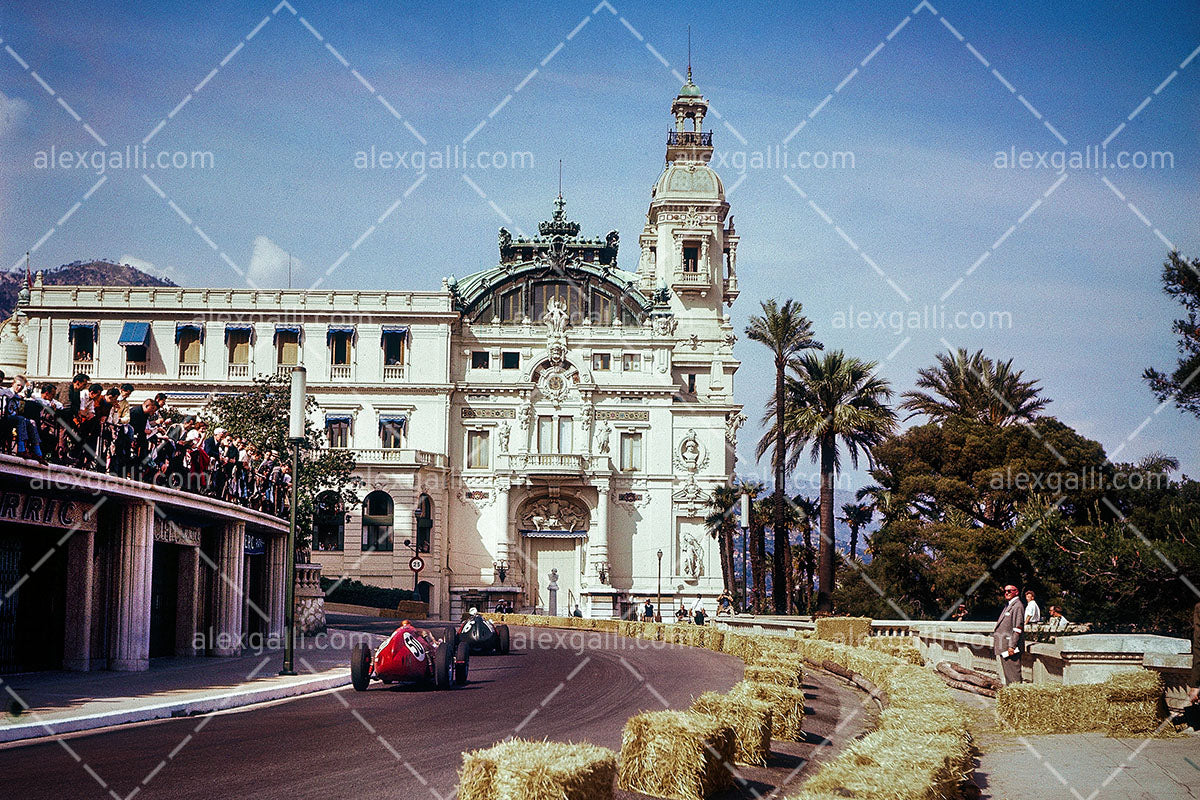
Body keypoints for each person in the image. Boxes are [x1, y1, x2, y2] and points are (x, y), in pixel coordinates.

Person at [993, 584, 1025, 686]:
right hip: (1004, 646)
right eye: (1005, 591)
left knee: (1013, 676)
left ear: (1016, 592)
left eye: (1010, 591)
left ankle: (1016, 697)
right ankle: (1011, 697)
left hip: (1010, 647)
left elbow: (1018, 628)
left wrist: (1012, 646)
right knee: (1008, 676)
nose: (1007, 593)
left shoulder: (1018, 606)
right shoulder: (1009, 605)